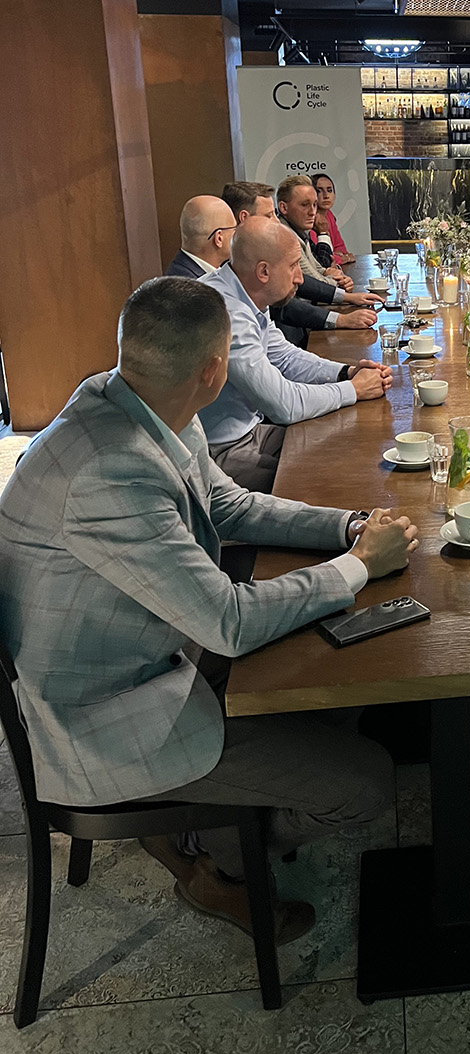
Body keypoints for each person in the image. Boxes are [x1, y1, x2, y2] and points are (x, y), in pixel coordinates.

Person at [0, 276, 418, 943]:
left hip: (151, 648)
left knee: (333, 667)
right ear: (214, 369)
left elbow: (229, 506)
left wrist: (349, 528)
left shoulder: (138, 399)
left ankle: (228, 815)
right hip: (106, 713)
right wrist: (360, 566)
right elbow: (229, 621)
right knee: (366, 783)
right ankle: (214, 858)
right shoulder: (110, 471)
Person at [198, 218, 392, 492]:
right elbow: (283, 405)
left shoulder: (247, 290)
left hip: (253, 432)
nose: (300, 278)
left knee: (351, 443)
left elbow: (285, 356)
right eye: (293, 266)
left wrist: (346, 373)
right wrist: (354, 389)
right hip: (220, 452)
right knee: (338, 474)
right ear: (263, 271)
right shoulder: (228, 314)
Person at [222, 181, 372, 345]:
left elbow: (280, 348)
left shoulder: (286, 237)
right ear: (244, 218)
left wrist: (342, 294)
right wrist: (341, 317)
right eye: (269, 215)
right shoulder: (240, 258)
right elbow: (284, 306)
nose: (276, 221)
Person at [277, 174, 354, 287]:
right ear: (283, 208)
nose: (312, 212)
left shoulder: (302, 230)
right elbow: (317, 282)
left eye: (314, 204)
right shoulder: (286, 237)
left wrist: (336, 272)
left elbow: (319, 268)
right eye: (304, 205)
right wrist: (340, 281)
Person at [165, 197, 237, 278]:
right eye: (234, 229)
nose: (237, 234)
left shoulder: (182, 271)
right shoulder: (190, 283)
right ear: (219, 238)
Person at [311, 173, 355, 265]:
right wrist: (344, 258)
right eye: (319, 191)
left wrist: (338, 255)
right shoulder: (309, 218)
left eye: (329, 190)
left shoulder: (329, 214)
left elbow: (340, 247)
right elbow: (319, 258)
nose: (326, 195)